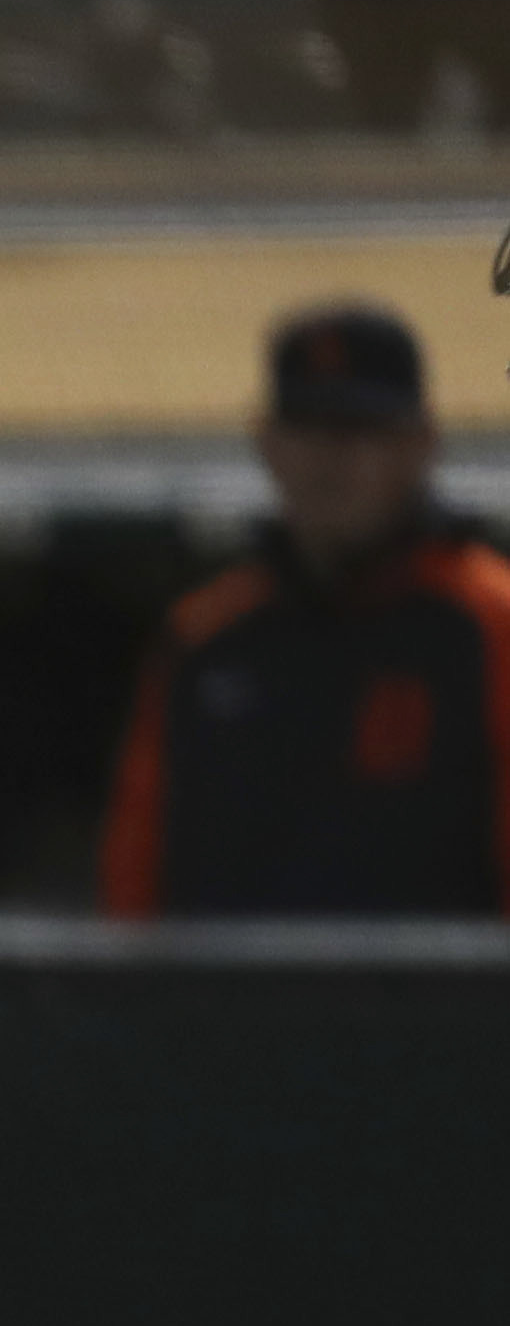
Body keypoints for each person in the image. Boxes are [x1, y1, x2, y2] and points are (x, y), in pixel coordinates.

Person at [103, 300, 510, 921]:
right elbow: (138, 875)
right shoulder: (209, 636)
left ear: (420, 446)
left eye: (359, 431)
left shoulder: (490, 621)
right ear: (267, 444)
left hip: (448, 1014)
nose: (330, 458)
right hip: (234, 1011)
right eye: (307, 427)